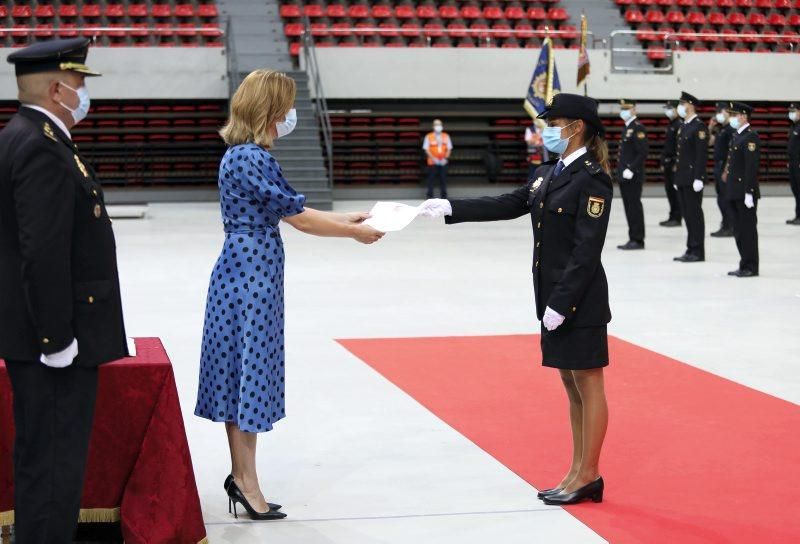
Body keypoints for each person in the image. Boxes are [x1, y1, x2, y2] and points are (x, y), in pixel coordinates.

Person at [193, 70, 384, 521]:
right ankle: (246, 481)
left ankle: (244, 477)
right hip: (249, 275)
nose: (288, 115)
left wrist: (346, 219)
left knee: (241, 372)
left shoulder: (243, 154)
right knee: (247, 372)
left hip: (248, 269)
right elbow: (299, 219)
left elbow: (294, 208)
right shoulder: (250, 158)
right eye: (285, 107)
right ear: (270, 110)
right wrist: (351, 234)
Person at [419, 93, 612, 506]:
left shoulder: (593, 178)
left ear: (575, 127)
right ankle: (576, 469)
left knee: (589, 383)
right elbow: (508, 203)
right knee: (571, 384)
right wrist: (451, 206)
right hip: (552, 298)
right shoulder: (549, 172)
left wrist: (562, 302)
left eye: (553, 122)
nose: (546, 130)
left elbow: (586, 249)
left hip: (578, 299)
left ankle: (589, 473)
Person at [0, 38, 128, 542]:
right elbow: (43, 253)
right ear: (57, 88)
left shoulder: (24, 135)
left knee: (43, 459)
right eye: (78, 83)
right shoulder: (41, 147)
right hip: (52, 342)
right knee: (54, 465)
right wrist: (57, 339)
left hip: (39, 333)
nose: (82, 93)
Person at [723, 102, 760, 277]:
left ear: (743, 116)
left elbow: (751, 168)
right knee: (738, 231)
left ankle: (751, 266)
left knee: (747, 231)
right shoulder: (737, 136)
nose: (732, 118)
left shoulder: (750, 137)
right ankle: (744, 263)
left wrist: (749, 192)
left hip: (744, 192)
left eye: (734, 114)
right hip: (734, 191)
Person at [673, 91, 708, 263]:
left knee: (694, 215)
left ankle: (698, 251)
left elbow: (701, 155)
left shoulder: (699, 127)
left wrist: (699, 177)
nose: (680, 107)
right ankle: (690, 247)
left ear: (691, 105)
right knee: (687, 214)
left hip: (693, 178)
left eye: (683, 103)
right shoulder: (684, 126)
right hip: (683, 178)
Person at [615, 99, 647, 250]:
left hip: (632, 175)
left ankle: (638, 239)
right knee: (628, 207)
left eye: (627, 109)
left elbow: (642, 152)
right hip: (624, 175)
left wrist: (631, 169)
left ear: (634, 110)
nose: (624, 111)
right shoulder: (627, 128)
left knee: (634, 207)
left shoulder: (638, 128)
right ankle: (632, 237)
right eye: (622, 108)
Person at [709, 101, 736, 238]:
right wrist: (710, 127)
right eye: (717, 112)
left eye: (721, 111)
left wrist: (726, 170)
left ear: (728, 112)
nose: (719, 114)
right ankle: (725, 224)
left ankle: (729, 226)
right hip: (718, 165)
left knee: (726, 198)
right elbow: (709, 142)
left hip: (725, 166)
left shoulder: (731, 129)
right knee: (721, 198)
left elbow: (732, 152)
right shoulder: (721, 129)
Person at [659, 101, 682, 227]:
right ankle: (672, 215)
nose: (668, 111)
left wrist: (677, 162)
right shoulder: (671, 124)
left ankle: (677, 217)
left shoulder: (679, 125)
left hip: (674, 163)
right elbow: (667, 146)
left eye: (670, 108)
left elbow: (680, 147)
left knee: (675, 192)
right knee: (669, 191)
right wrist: (663, 161)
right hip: (668, 162)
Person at [422, 119, 452, 199]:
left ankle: (444, 198)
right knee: (431, 180)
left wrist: (445, 159)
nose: (438, 126)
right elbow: (426, 149)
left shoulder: (446, 136)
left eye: (439, 124)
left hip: (443, 162)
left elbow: (449, 149)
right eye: (436, 125)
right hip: (432, 162)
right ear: (433, 126)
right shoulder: (429, 136)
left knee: (443, 180)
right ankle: (429, 197)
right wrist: (434, 159)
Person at [787, 103, 800, 225]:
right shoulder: (794, 126)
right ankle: (798, 215)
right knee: (796, 190)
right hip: (793, 162)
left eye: (794, 110)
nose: (791, 113)